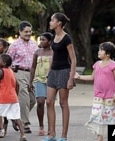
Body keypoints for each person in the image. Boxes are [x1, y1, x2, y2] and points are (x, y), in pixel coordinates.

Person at [75, 41, 115, 141]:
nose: (98, 51)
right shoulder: (96, 64)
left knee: (112, 118)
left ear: (108, 54)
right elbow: (92, 77)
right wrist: (79, 76)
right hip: (98, 96)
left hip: (110, 97)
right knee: (98, 116)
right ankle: (99, 137)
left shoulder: (114, 65)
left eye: (101, 50)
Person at [44, 12, 77, 141]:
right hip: (53, 72)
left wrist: (71, 77)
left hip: (64, 71)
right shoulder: (53, 36)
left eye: (52, 20)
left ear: (59, 23)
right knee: (49, 101)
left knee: (63, 103)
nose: (50, 22)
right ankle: (51, 134)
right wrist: (49, 72)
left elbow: (73, 59)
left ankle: (64, 136)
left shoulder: (67, 38)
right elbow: (53, 56)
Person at [7, 21, 38, 133]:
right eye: (26, 32)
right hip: (19, 72)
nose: (28, 34)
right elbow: (7, 60)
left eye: (30, 31)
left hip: (32, 73)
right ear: (20, 32)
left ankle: (16, 118)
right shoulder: (14, 45)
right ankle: (24, 124)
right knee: (24, 96)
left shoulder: (34, 44)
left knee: (33, 99)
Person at [0, 54, 27, 141]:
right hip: (13, 98)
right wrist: (16, 94)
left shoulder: (0, 71)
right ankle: (23, 135)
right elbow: (17, 84)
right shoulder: (11, 71)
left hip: (3, 98)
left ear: (4, 63)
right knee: (17, 117)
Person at [29, 32, 53, 136]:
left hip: (51, 80)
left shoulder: (54, 52)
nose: (41, 42)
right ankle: (41, 126)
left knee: (49, 104)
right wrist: (30, 81)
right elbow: (33, 67)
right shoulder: (37, 52)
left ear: (49, 41)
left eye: (44, 40)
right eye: (40, 40)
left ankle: (50, 127)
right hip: (39, 80)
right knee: (40, 101)